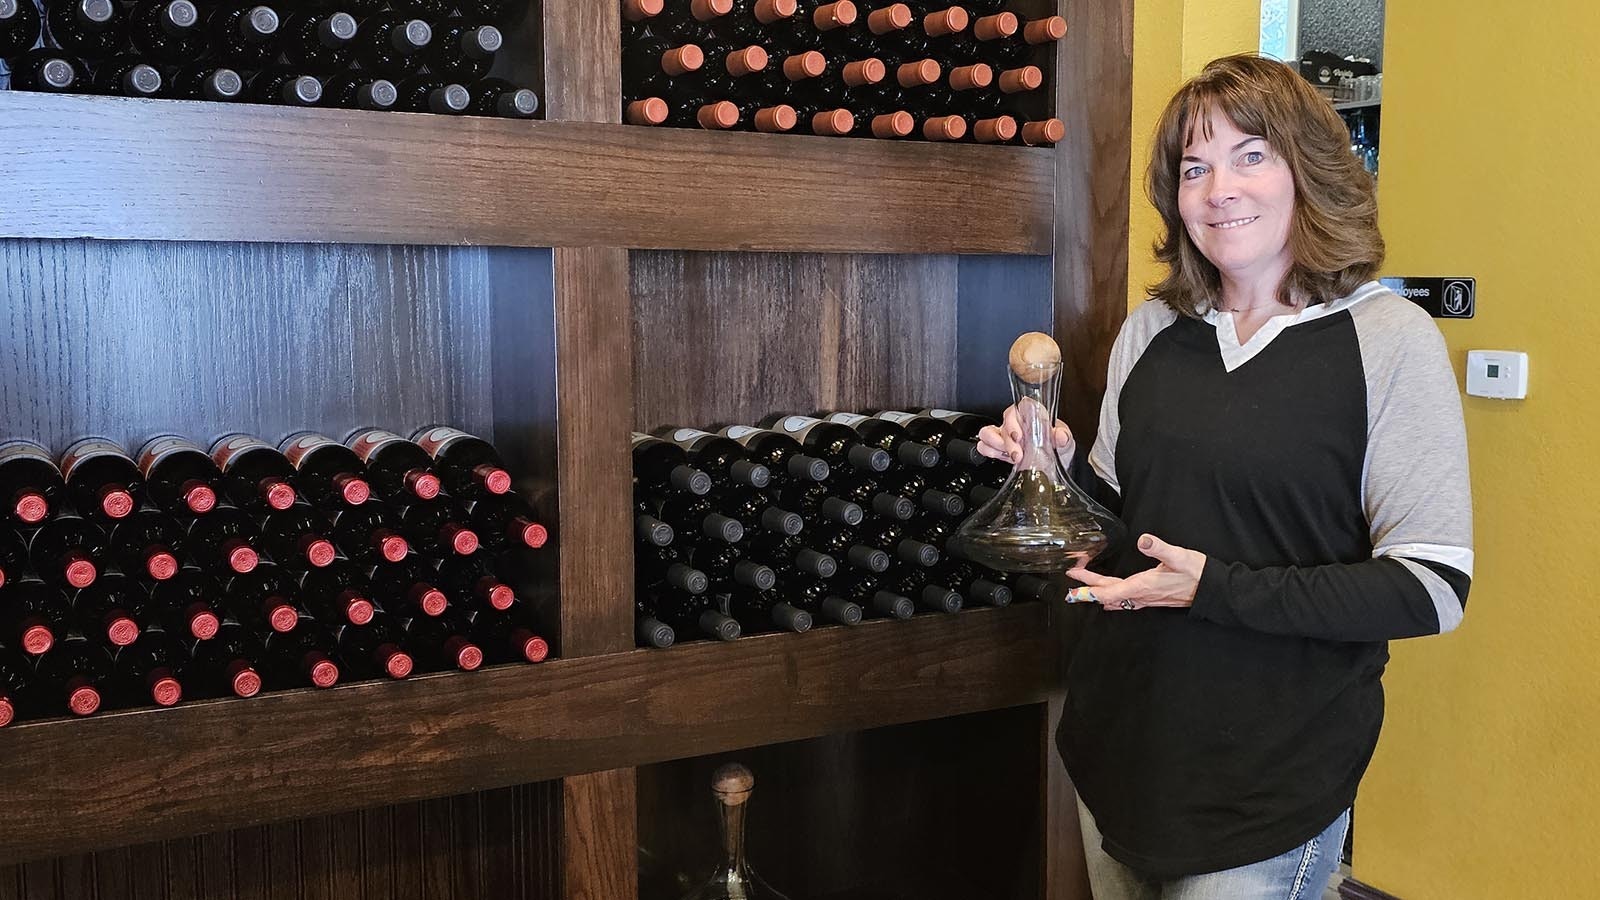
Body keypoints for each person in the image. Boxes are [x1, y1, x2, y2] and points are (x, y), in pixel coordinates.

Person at [977, 54, 1473, 899]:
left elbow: (1430, 588)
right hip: (1120, 750)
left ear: (1306, 170)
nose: (1218, 191)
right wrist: (1053, 470)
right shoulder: (1153, 329)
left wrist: (1212, 587)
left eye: (1251, 156)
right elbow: (1123, 526)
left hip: (1269, 782)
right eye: (1194, 169)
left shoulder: (1389, 340)